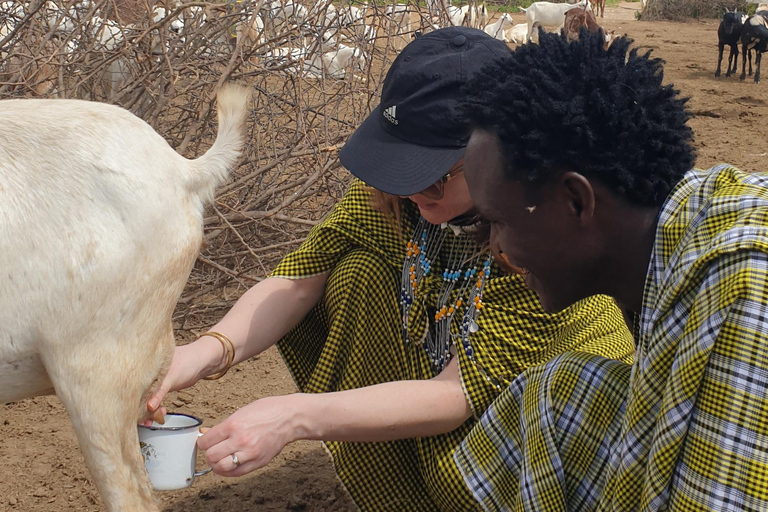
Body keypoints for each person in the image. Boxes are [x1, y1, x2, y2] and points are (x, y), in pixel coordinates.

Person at [146, 27, 634, 511]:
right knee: (357, 272)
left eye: (435, 178)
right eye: (401, 167)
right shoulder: (394, 199)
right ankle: (396, 489)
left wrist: (294, 417)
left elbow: (457, 393)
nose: (415, 192)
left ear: (495, 159)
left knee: (463, 474)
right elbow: (299, 279)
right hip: (450, 356)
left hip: (543, 401)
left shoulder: (535, 237)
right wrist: (204, 353)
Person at [454, 30, 768, 511]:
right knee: (556, 396)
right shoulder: (667, 246)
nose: (495, 248)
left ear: (576, 202)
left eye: (499, 222)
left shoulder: (746, 282)